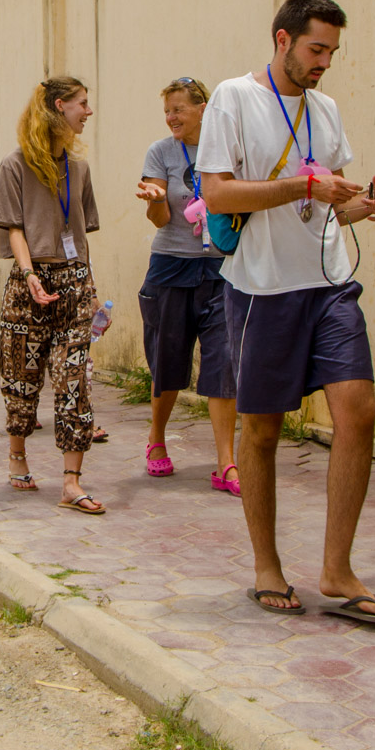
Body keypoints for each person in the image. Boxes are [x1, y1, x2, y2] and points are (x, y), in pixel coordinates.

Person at [196, 0, 375, 619]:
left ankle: (337, 570)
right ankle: (267, 565)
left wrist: (362, 205)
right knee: (262, 430)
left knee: (357, 411)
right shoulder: (232, 98)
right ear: (282, 39)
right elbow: (218, 195)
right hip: (261, 289)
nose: (324, 63)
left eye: (332, 52)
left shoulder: (326, 109)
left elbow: (332, 204)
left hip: (329, 281)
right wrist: (300, 185)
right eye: (316, 49)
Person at [0, 78, 103, 511]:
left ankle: (72, 482)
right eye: (82, 104)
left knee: (74, 378)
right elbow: (13, 227)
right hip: (28, 284)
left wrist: (91, 290)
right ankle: (17, 453)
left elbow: (79, 234)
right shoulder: (14, 166)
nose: (88, 112)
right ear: (60, 106)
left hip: (74, 283)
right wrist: (30, 274)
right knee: (21, 379)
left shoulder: (80, 170)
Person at [134, 78, 240, 493]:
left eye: (179, 108)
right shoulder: (161, 152)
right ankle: (156, 438)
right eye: (167, 111)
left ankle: (226, 463)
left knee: (223, 363)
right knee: (168, 361)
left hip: (220, 271)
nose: (172, 117)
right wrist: (156, 198)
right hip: (171, 268)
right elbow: (159, 221)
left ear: (203, 108)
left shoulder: (227, 149)